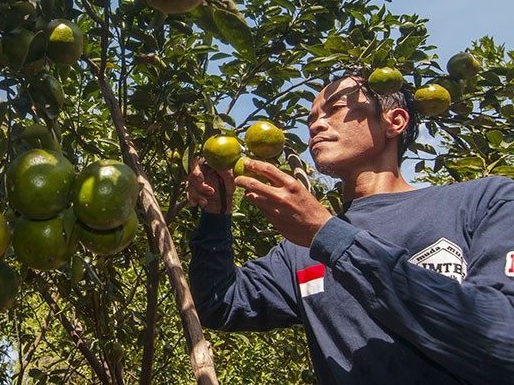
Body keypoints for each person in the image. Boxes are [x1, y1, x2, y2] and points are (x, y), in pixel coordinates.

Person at [186, 75, 514, 384]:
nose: (315, 124)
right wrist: (217, 213)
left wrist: (328, 235)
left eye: (335, 109)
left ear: (394, 122)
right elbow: (221, 303)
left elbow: (503, 338)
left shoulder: (484, 201)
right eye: (311, 118)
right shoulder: (301, 249)